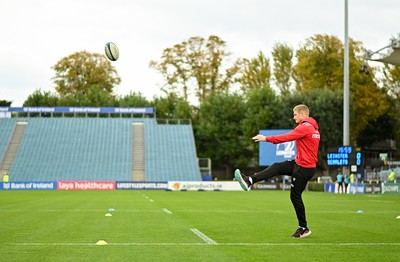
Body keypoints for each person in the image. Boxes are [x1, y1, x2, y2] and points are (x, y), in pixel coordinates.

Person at [234, 104, 320, 239]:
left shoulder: (305, 127)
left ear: (303, 114)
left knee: (295, 196)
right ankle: (250, 180)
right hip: (300, 164)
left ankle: (303, 228)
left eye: (295, 114)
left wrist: (266, 139)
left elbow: (287, 137)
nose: (293, 117)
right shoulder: (313, 128)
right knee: (277, 167)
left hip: (304, 168)